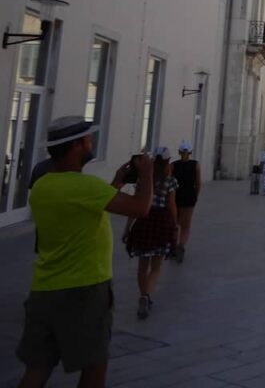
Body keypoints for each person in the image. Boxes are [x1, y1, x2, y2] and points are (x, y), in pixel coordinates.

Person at [17, 116, 153, 388]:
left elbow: (85, 208)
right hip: (83, 290)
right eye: (87, 139)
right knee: (94, 365)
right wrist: (148, 173)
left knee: (38, 367)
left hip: (44, 289)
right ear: (76, 145)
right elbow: (141, 208)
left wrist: (115, 182)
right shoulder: (84, 186)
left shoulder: (44, 186)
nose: (91, 142)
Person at [124, 147, 178, 319]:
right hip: (161, 221)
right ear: (168, 162)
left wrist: (128, 227)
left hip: (144, 218)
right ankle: (146, 295)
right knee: (156, 266)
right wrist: (174, 225)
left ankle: (142, 294)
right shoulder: (170, 181)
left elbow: (135, 204)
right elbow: (171, 205)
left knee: (142, 265)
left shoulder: (143, 180)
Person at [171, 141, 201, 263]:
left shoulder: (173, 165)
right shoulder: (196, 165)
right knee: (186, 225)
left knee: (175, 223)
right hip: (189, 196)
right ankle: (181, 245)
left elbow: (169, 181)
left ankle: (174, 245)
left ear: (179, 152)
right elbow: (198, 183)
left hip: (176, 196)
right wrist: (196, 196)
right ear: (190, 153)